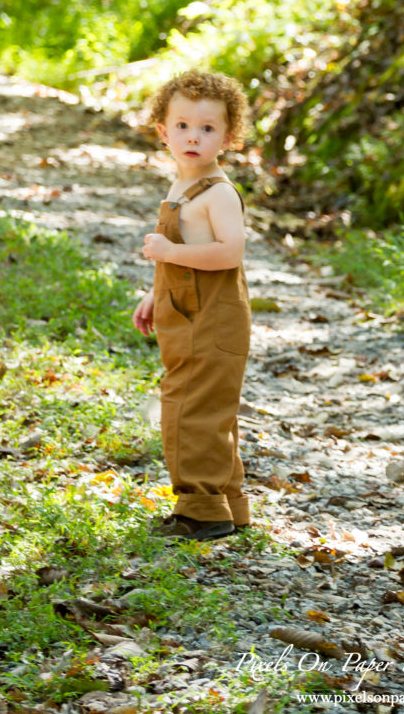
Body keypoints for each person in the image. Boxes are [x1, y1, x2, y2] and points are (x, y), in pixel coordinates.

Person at [132, 70, 252, 541]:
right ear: (163, 131)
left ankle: (202, 512)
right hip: (187, 312)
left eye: (207, 129)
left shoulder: (218, 193)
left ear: (228, 136)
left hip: (213, 319)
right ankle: (229, 505)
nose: (193, 137)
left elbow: (229, 252)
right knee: (207, 409)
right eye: (182, 126)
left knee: (190, 410)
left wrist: (169, 254)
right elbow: (181, 259)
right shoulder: (182, 184)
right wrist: (155, 290)